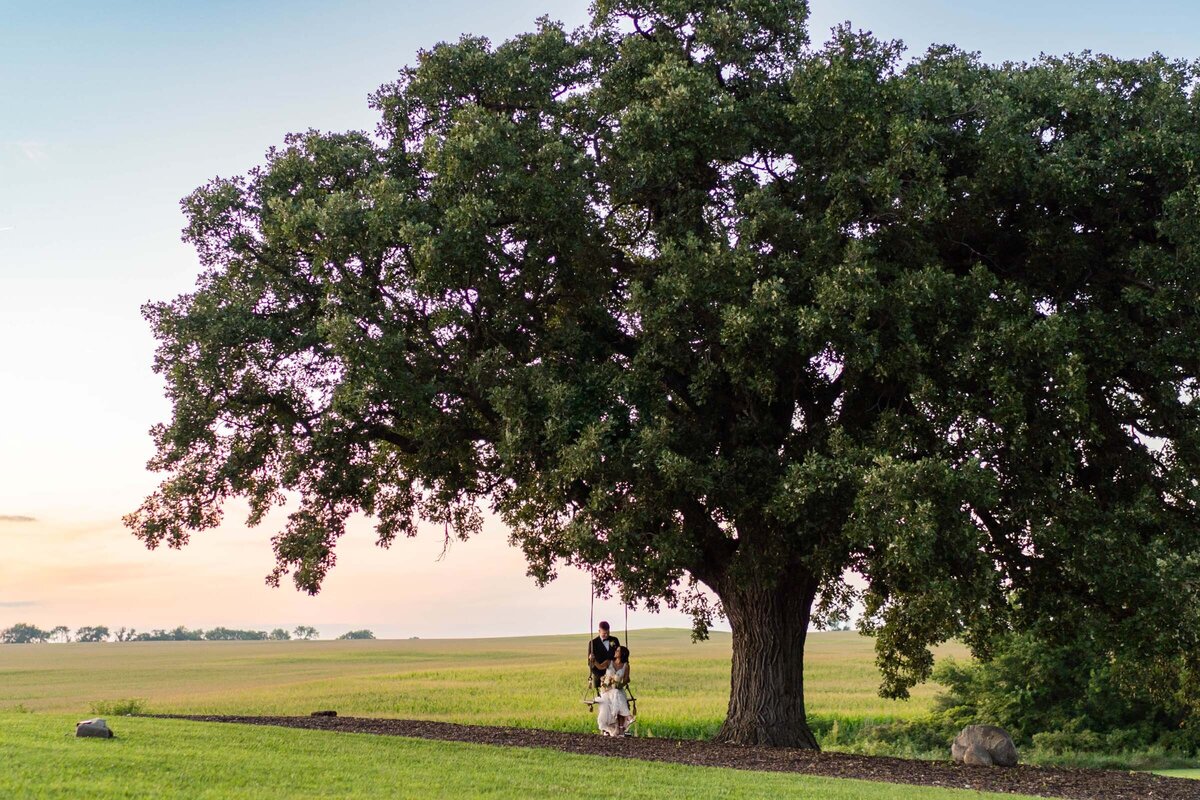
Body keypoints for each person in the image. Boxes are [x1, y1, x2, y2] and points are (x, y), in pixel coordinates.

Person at [596, 645, 635, 736]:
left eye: (618, 651)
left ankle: (619, 729)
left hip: (618, 690)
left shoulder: (626, 666)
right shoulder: (609, 662)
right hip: (606, 691)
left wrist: (620, 684)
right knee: (617, 694)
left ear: (622, 654)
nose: (615, 652)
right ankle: (628, 717)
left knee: (617, 694)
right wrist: (593, 660)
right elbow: (599, 667)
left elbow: (626, 679)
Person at [587, 621, 620, 691]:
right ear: (599, 631)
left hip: (614, 676)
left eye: (608, 633)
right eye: (604, 633)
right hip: (599, 677)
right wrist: (592, 660)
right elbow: (590, 664)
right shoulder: (593, 643)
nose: (606, 635)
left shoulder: (615, 640)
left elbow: (620, 656)